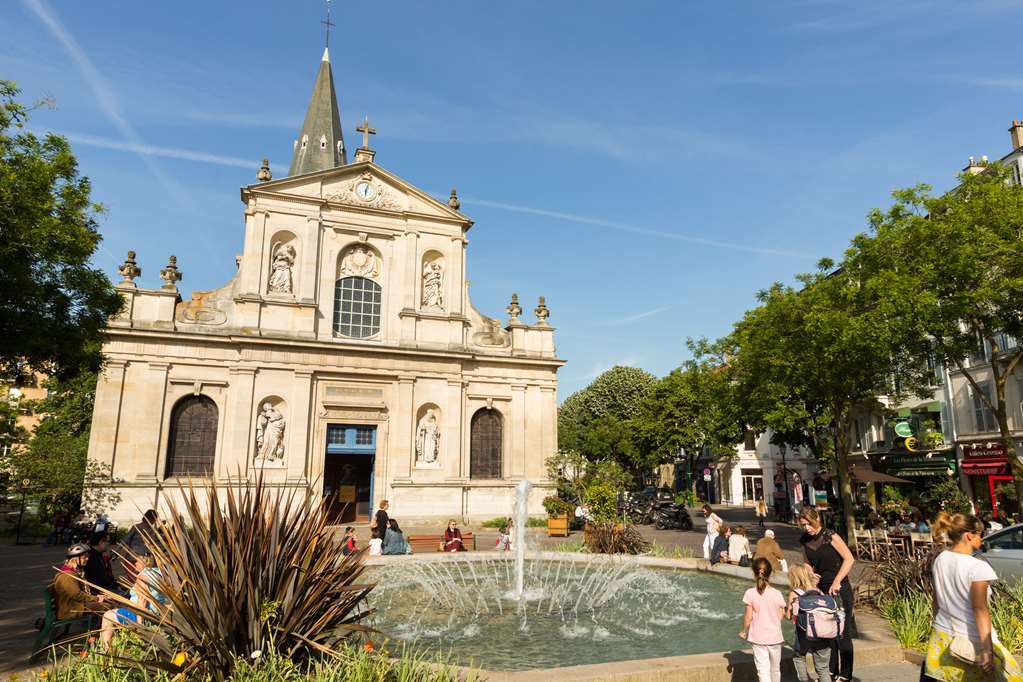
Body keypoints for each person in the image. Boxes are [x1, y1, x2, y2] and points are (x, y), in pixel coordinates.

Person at [921, 513, 1023, 682]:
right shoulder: (978, 567)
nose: (982, 540)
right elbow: (980, 609)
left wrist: (938, 625)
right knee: (1012, 677)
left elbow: (936, 599)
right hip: (972, 639)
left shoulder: (940, 559)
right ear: (970, 535)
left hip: (942, 635)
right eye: (981, 535)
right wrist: (987, 649)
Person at [798, 506, 855, 682]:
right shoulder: (805, 540)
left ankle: (845, 674)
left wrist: (837, 580)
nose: (807, 527)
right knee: (827, 633)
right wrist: (810, 574)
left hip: (840, 588)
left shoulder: (830, 536)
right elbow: (807, 562)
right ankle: (830, 671)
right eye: (803, 524)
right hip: (822, 591)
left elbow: (849, 558)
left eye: (809, 523)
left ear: (817, 520)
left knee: (842, 634)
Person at [100, 554, 167, 650]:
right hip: (160, 611)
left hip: (146, 614)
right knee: (116, 608)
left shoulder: (143, 577)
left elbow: (142, 600)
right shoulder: (157, 572)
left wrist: (140, 626)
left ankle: (107, 651)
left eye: (137, 561)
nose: (134, 564)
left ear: (144, 562)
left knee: (108, 615)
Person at [739, 557, 787, 682]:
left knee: (763, 670)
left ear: (754, 573)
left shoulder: (750, 593)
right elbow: (781, 615)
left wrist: (744, 630)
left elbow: (748, 617)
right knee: (775, 669)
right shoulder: (777, 593)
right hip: (775, 637)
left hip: (758, 638)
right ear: (770, 573)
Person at [787, 563, 833, 682]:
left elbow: (789, 615)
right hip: (823, 633)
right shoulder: (818, 591)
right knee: (823, 668)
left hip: (804, 634)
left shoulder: (794, 593)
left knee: (799, 658)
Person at [51, 543, 105, 622]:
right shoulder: (67, 575)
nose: (87, 559)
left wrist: (98, 596)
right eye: (84, 556)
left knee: (109, 603)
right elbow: (77, 595)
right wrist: (96, 598)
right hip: (70, 610)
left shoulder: (76, 572)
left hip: (76, 605)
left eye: (88, 556)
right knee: (106, 606)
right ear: (75, 558)